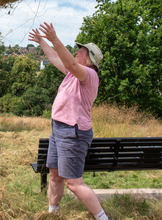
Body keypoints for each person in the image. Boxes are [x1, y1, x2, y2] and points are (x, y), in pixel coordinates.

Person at [29, 22, 112, 220]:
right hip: (59, 129)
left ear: (89, 58)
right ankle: (52, 214)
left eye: (80, 51)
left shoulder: (89, 75)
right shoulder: (73, 75)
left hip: (73, 132)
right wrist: (42, 41)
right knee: (55, 175)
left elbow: (70, 63)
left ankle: (103, 218)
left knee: (74, 183)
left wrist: (55, 39)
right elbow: (56, 58)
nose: (76, 53)